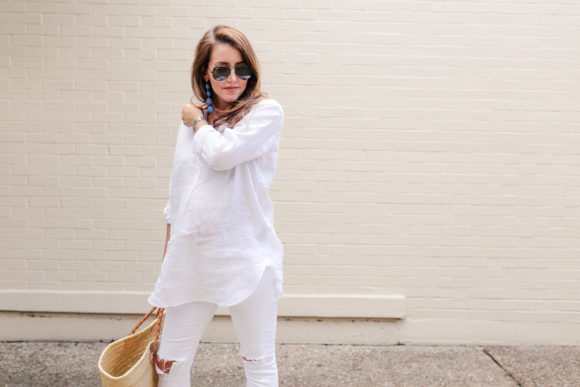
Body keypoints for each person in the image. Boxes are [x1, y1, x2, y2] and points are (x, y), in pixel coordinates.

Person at [147, 25, 284, 387]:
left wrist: (196, 123)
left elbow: (224, 155)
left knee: (258, 361)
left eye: (242, 68)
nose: (232, 78)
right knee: (170, 362)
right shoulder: (193, 121)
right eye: (221, 69)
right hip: (193, 255)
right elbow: (178, 192)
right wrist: (169, 256)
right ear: (205, 73)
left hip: (247, 256)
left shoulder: (266, 113)